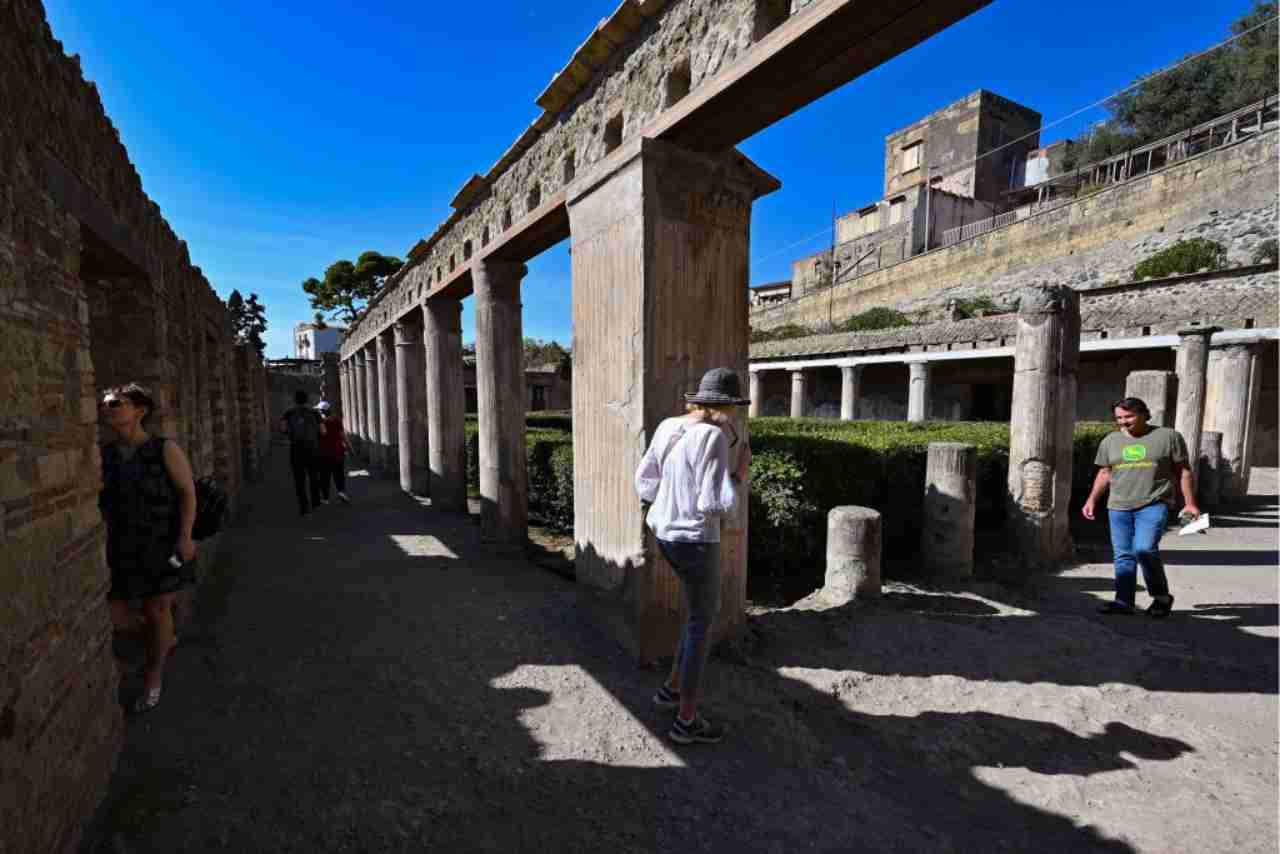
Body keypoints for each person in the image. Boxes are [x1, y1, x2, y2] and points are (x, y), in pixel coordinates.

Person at [634, 367, 751, 745]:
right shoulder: (713, 437)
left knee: (696, 616)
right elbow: (715, 503)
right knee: (703, 623)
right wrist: (740, 475)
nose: (735, 414)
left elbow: (645, 480)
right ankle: (686, 720)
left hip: (664, 532)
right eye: (734, 407)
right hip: (696, 540)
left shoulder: (669, 426)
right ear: (726, 405)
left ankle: (670, 689)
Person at [99, 382, 197, 714]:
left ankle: (153, 676)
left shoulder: (163, 448)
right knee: (120, 614)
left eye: (115, 404)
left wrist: (185, 537)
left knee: (156, 609)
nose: (108, 409)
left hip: (162, 542)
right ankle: (164, 638)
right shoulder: (105, 453)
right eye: (106, 404)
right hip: (122, 546)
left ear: (139, 411)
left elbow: (186, 492)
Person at [1082, 397, 1200, 617]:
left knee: (1144, 549)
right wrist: (1092, 500)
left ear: (1145, 414)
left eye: (1129, 416)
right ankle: (1123, 601)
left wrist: (1191, 503)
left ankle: (1161, 597)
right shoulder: (1110, 440)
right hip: (1118, 505)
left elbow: (1183, 471)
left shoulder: (1168, 436)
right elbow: (1105, 472)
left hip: (1154, 502)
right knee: (1123, 554)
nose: (1123, 422)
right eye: (1119, 418)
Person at [280, 390, 325, 516]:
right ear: (307, 400)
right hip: (312, 449)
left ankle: (304, 507)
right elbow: (323, 431)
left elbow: (283, 429)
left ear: (295, 400)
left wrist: (290, 434)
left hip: (296, 449)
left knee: (299, 480)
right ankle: (316, 502)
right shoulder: (315, 413)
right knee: (314, 476)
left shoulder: (288, 413)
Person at [315, 400, 350, 504]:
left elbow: (317, 438)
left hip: (324, 454)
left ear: (322, 412)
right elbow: (343, 436)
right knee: (339, 474)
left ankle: (325, 498)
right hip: (338, 452)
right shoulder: (337, 421)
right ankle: (341, 492)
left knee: (324, 476)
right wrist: (349, 447)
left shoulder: (320, 423)